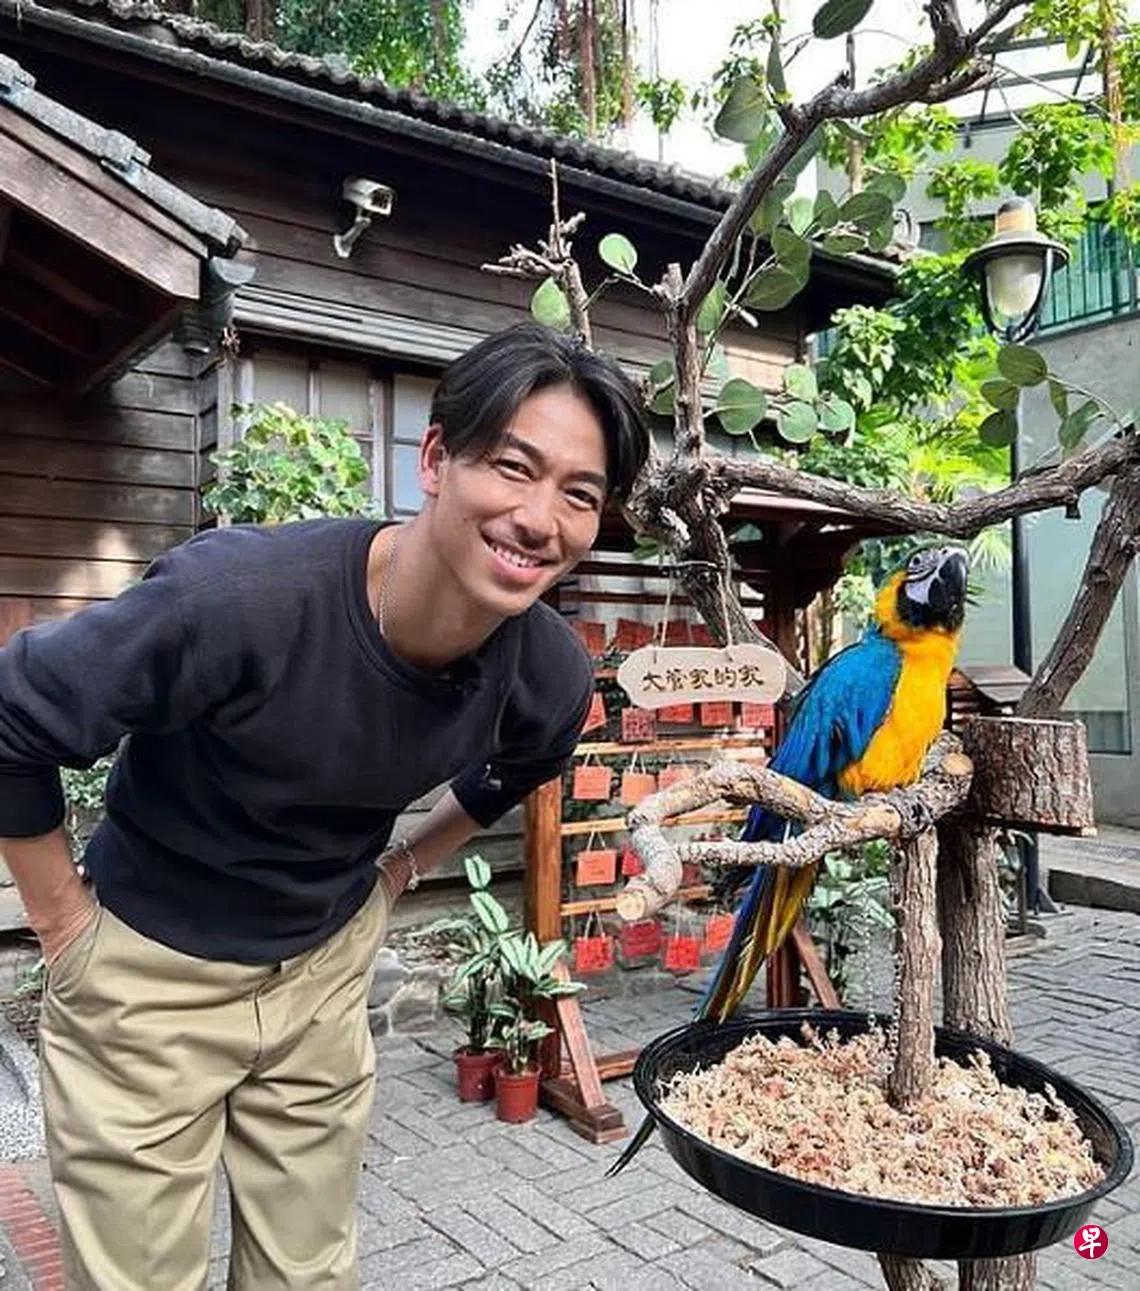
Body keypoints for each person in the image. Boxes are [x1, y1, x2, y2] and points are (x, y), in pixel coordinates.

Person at [0, 321, 648, 1290]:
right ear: (436, 458)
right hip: (147, 975)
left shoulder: (544, 673)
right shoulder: (240, 601)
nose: (539, 518)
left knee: (308, 1275)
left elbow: (518, 770)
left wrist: (403, 868)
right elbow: (14, 714)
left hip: (325, 969)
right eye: (514, 467)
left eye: (579, 495)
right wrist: (63, 926)